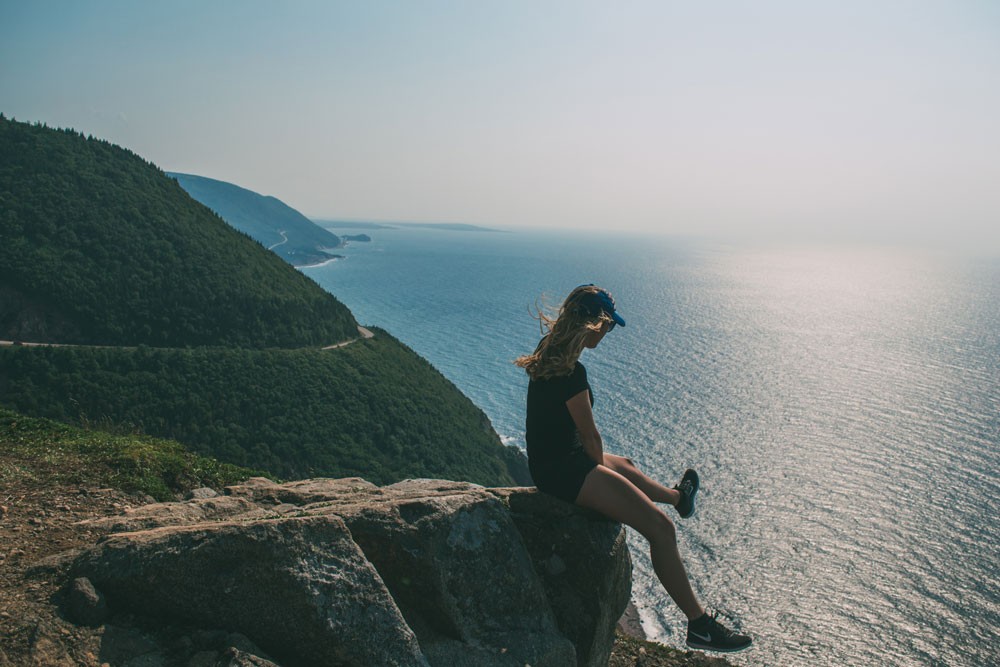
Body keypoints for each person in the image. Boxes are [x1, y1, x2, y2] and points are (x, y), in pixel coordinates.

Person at [515, 284, 752, 653]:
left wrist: (611, 473)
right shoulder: (572, 374)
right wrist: (602, 482)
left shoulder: (549, 352)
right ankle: (700, 625)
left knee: (624, 464)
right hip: (567, 471)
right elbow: (591, 439)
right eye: (608, 327)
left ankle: (678, 497)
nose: (609, 335)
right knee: (660, 529)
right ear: (594, 324)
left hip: (552, 463)